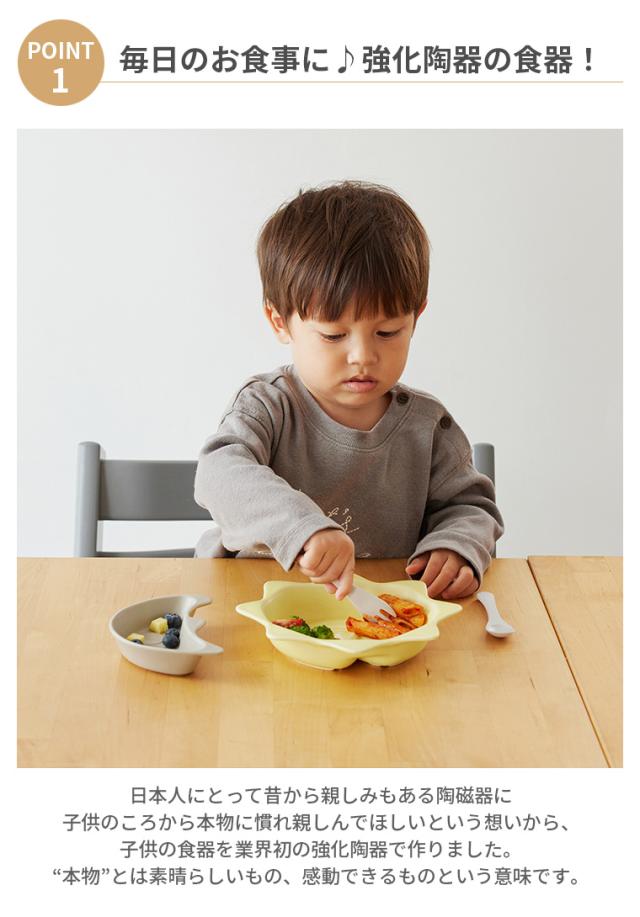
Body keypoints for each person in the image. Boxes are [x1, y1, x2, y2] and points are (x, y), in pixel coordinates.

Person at [194, 181, 503, 601]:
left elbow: (469, 507)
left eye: (387, 332)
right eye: (334, 335)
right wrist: (303, 529)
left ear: (416, 317)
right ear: (280, 322)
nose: (363, 356)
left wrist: (456, 547)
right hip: (251, 607)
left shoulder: (428, 427)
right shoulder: (267, 406)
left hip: (374, 617)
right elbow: (219, 475)